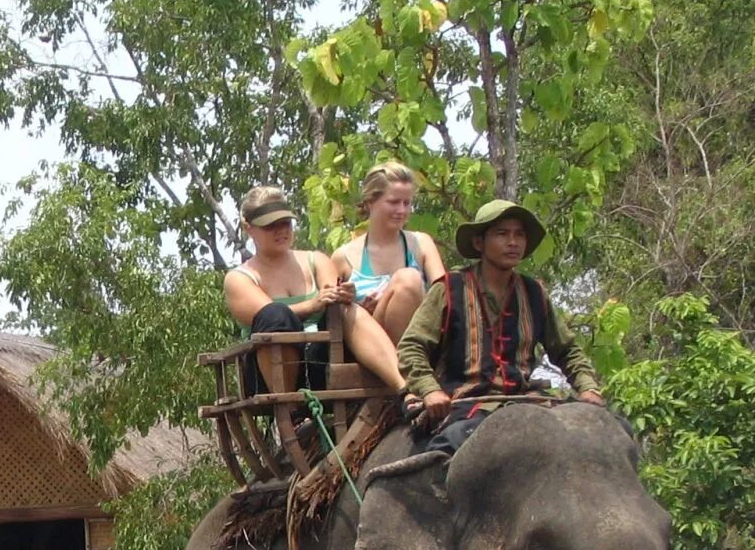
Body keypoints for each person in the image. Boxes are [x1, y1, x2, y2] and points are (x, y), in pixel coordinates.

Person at [398, 199, 604, 453]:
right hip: (465, 404)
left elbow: (567, 349)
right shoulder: (449, 289)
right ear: (478, 242)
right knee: (449, 448)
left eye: (519, 234)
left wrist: (588, 387)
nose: (513, 242)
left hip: (526, 401)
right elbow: (411, 346)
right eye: (502, 234)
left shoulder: (534, 293)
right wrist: (429, 391)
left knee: (608, 432)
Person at [222, 185, 407, 397]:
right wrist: (313, 304)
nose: (281, 230)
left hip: (324, 362)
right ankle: (288, 409)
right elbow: (268, 317)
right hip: (270, 374)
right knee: (275, 314)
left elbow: (331, 297)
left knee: (345, 310)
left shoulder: (316, 260)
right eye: (270, 225)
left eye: (285, 223)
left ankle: (404, 386)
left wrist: (344, 295)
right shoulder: (239, 278)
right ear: (248, 228)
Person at [331, 161, 446, 343]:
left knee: (408, 280)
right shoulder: (343, 257)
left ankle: (408, 363)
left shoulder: (421, 243)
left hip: (418, 341)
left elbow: (445, 297)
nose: (402, 210)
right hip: (370, 346)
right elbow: (331, 316)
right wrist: (356, 306)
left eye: (407, 203)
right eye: (393, 202)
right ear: (370, 202)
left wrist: (396, 299)